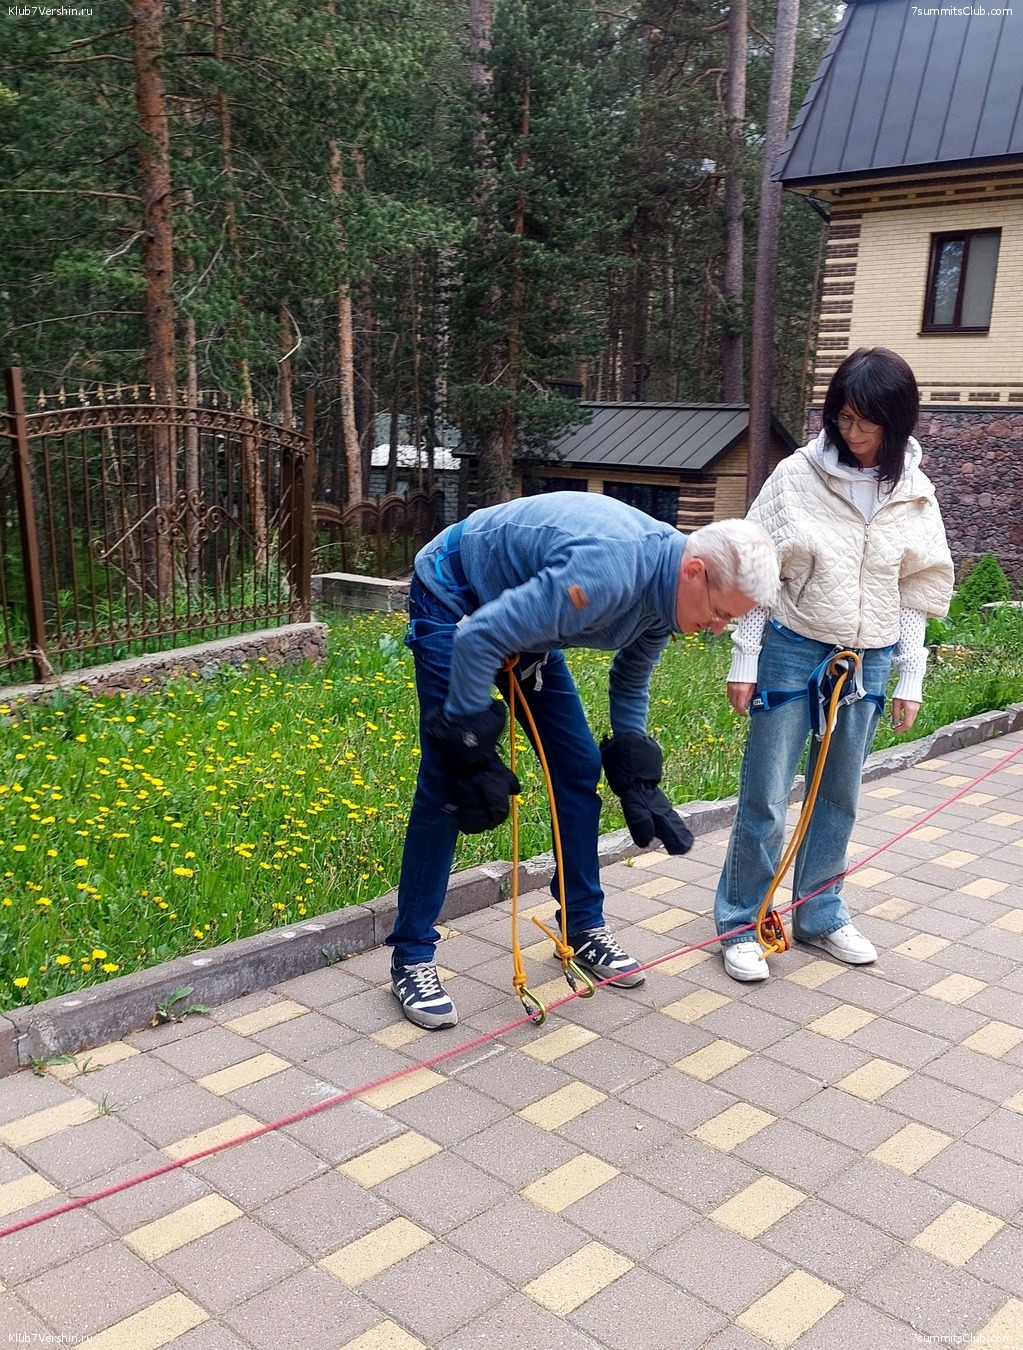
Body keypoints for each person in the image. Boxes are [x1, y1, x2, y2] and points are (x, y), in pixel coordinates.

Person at [388, 493, 780, 1028]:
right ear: (693, 572)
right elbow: (481, 637)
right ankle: (411, 955)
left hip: (520, 618)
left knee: (576, 767)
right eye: (719, 613)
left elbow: (631, 675)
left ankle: (582, 925)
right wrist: (469, 747)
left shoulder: (667, 595)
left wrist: (635, 768)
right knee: (449, 782)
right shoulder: (609, 571)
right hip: (454, 596)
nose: (716, 628)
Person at [715, 347, 954, 983]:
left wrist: (910, 673)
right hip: (794, 647)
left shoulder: (914, 490)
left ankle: (819, 914)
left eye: (865, 421)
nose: (851, 432)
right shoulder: (797, 475)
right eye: (843, 417)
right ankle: (741, 922)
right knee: (766, 793)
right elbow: (759, 567)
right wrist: (745, 656)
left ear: (895, 422)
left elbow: (916, 587)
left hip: (869, 656)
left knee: (840, 794)